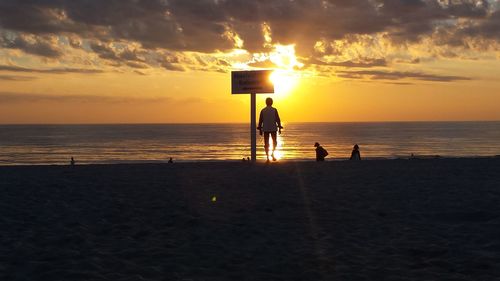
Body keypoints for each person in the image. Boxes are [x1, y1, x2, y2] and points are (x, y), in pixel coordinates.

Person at [257, 97, 283, 162]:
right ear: (272, 102)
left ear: (266, 103)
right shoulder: (274, 110)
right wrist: (279, 127)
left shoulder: (263, 110)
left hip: (265, 129)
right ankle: (272, 154)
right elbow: (278, 119)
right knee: (274, 142)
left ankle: (268, 157)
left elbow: (260, 120)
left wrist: (260, 129)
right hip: (273, 128)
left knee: (266, 143)